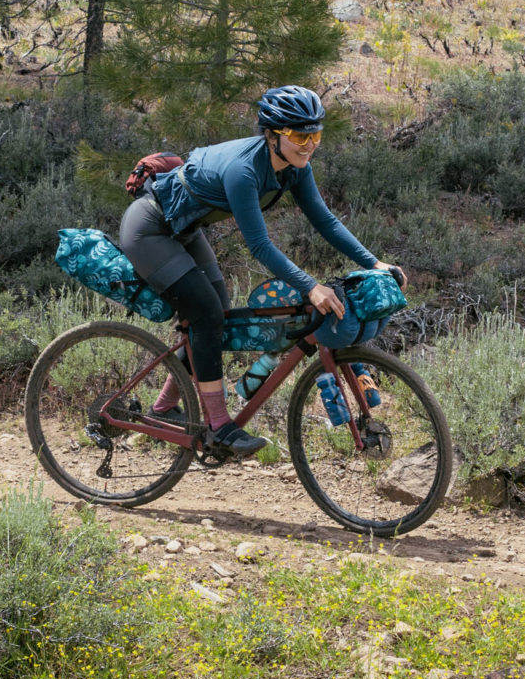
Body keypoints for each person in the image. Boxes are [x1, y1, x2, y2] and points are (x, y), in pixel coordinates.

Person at [119, 86, 405, 458]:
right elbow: (259, 246)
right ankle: (219, 426)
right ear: (272, 135)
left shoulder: (295, 168)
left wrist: (374, 263)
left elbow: (325, 221)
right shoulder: (244, 171)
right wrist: (311, 286)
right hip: (149, 230)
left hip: (184, 229)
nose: (309, 145)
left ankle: (164, 407)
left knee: (219, 314)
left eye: (315, 136)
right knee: (206, 313)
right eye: (299, 136)